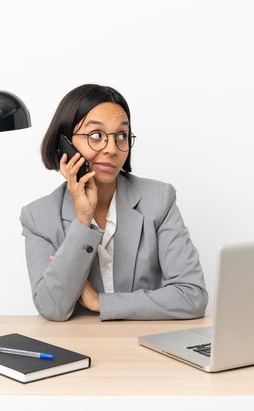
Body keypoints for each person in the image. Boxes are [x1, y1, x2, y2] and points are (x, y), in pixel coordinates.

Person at [20, 84, 207, 321]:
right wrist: (82, 221)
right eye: (96, 136)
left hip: (144, 345)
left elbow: (192, 296)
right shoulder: (39, 218)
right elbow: (52, 308)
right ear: (64, 143)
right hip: (77, 348)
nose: (111, 149)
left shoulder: (159, 199)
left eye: (121, 136)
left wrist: (100, 302)